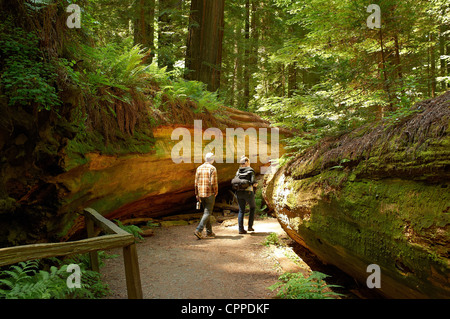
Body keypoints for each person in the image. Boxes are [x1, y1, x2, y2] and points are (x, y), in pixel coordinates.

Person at [194, 152, 218, 239]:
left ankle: (209, 232)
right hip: (209, 193)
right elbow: (213, 182)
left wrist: (196, 193)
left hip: (201, 193)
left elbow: (196, 183)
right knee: (208, 212)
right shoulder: (212, 168)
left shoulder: (199, 168)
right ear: (212, 159)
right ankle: (199, 230)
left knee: (206, 212)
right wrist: (216, 191)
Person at [235, 156, 258, 234]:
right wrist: (255, 184)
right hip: (248, 192)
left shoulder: (238, 171)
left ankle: (241, 229)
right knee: (252, 207)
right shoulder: (251, 170)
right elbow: (253, 182)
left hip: (239, 192)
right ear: (247, 162)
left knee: (241, 210)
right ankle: (250, 227)